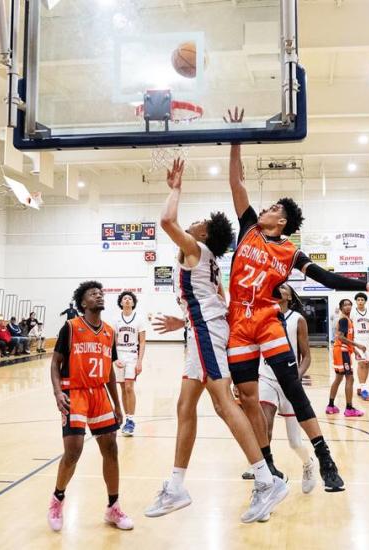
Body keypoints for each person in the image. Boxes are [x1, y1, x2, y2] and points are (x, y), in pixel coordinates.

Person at [225, 118, 369, 492]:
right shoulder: (248, 228)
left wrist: (365, 283)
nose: (263, 208)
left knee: (292, 387)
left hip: (265, 319)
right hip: (238, 323)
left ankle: (325, 457)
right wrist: (235, 142)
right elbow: (237, 183)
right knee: (248, 397)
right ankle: (268, 466)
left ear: (280, 221)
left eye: (272, 208)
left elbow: (327, 278)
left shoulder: (290, 251)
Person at [144, 158, 287, 523]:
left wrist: (175, 188)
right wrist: (187, 321)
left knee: (224, 404)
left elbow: (165, 222)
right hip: (201, 329)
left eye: (199, 223)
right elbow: (219, 300)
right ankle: (176, 486)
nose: (192, 223)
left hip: (206, 331)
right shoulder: (204, 260)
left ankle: (265, 478)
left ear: (203, 234)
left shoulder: (196, 250)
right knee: (184, 405)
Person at [47, 281, 132, 532]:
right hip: (74, 392)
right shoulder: (71, 328)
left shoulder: (109, 331)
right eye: (93, 294)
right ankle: (57, 499)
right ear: (83, 303)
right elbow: (55, 363)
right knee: (73, 451)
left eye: (101, 293)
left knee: (111, 449)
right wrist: (57, 392)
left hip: (99, 394)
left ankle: (113, 507)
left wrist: (117, 404)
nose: (99, 296)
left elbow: (109, 373)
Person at [240, 284, 318, 492]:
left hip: (289, 382)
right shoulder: (262, 317)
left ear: (290, 297)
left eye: (285, 288)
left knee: (294, 442)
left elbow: (307, 356)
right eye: (278, 287)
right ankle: (264, 470)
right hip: (266, 378)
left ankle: (308, 463)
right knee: (264, 425)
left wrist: (295, 377)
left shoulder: (297, 320)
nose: (281, 289)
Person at [114, 290, 148, 436]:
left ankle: (131, 420)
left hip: (132, 356)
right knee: (122, 388)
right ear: (121, 302)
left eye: (130, 299)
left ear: (133, 303)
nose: (127, 300)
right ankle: (126, 417)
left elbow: (142, 341)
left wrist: (140, 362)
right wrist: (115, 359)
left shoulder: (139, 319)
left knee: (129, 387)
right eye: (124, 298)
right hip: (120, 356)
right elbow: (113, 342)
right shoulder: (116, 321)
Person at [327, 299, 364, 417]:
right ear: (341, 307)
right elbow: (341, 338)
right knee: (350, 379)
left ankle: (331, 406)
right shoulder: (343, 320)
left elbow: (346, 339)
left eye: (349, 304)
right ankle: (349, 409)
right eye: (345, 305)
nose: (347, 307)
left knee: (338, 379)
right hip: (342, 352)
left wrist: (355, 351)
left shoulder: (347, 320)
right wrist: (357, 345)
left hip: (341, 351)